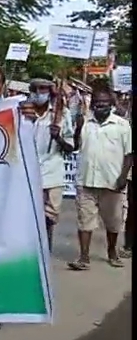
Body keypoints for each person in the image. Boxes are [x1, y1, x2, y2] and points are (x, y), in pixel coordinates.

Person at [65, 84, 132, 270]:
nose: (99, 107)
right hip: (86, 181)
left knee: (113, 222)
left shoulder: (122, 125)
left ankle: (112, 252)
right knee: (84, 221)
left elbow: (129, 154)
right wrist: (78, 128)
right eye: (96, 103)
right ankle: (84, 258)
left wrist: (123, 177)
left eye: (103, 103)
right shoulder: (85, 122)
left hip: (112, 182)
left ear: (111, 104)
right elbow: (76, 146)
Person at [17, 77, 75, 249]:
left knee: (49, 218)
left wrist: (58, 137)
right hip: (26, 171)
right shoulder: (21, 111)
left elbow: (70, 147)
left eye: (43, 89)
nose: (39, 92)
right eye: (35, 88)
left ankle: (45, 251)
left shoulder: (61, 114)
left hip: (52, 172)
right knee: (28, 217)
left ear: (50, 91)